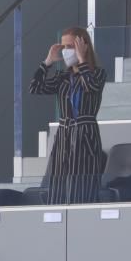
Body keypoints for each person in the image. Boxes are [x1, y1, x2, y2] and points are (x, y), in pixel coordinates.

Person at [31, 27, 107, 205]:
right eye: (64, 47)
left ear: (83, 46)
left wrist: (82, 61)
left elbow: (92, 87)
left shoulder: (97, 73)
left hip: (85, 133)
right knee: (59, 182)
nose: (67, 51)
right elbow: (35, 87)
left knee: (83, 183)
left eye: (71, 46)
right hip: (64, 134)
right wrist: (48, 62)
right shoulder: (63, 77)